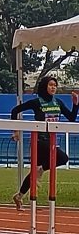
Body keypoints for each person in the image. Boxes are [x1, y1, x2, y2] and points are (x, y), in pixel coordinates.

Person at [10, 76, 79, 211]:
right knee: (63, 157)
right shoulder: (37, 102)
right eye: (50, 85)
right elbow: (15, 111)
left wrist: (76, 105)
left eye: (55, 85)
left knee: (35, 173)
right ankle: (41, 169)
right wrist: (16, 131)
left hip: (51, 140)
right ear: (44, 87)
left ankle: (19, 196)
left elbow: (71, 118)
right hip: (39, 141)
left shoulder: (57, 102)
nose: (53, 87)